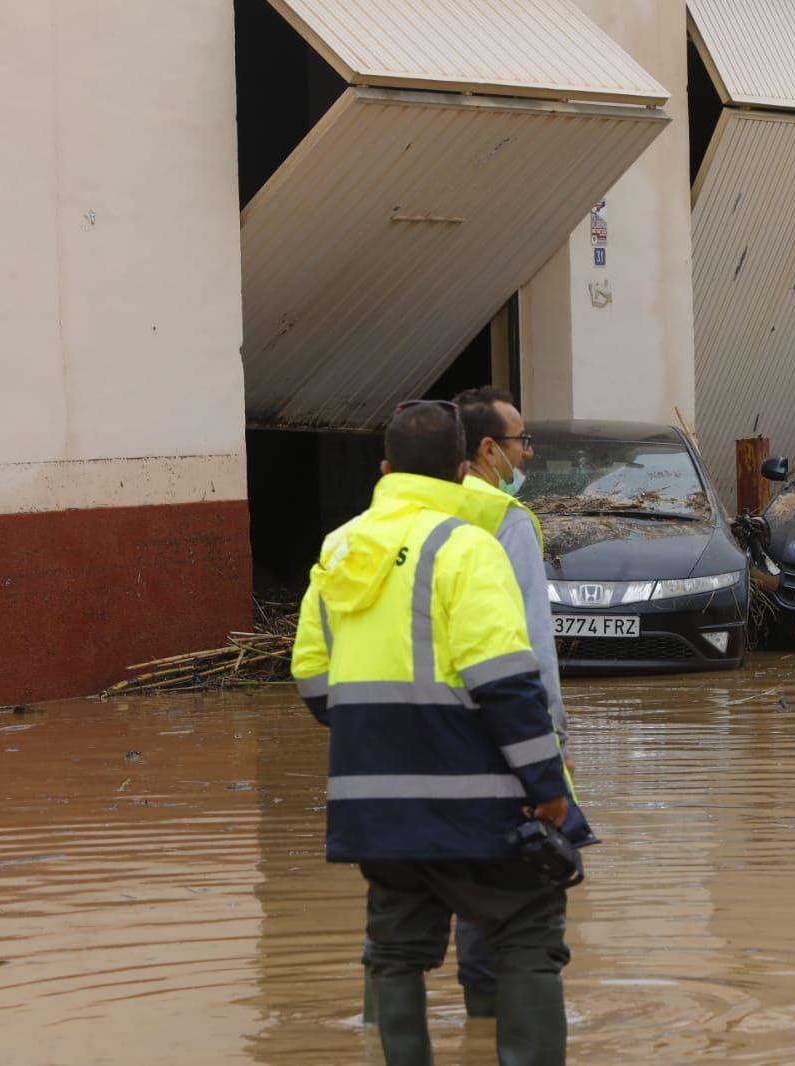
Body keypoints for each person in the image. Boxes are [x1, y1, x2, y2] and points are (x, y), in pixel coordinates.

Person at [292, 399, 588, 1066]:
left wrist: (371, 735)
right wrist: (547, 785)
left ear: (386, 468)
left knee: (394, 954)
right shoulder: (466, 547)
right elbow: (508, 681)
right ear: (462, 469)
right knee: (528, 936)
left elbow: (310, 672)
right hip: (475, 801)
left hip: (375, 806)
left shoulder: (339, 547)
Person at [449, 385, 567, 1019]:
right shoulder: (505, 520)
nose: (528, 453)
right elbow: (532, 647)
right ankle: (505, 1020)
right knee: (517, 878)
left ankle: (466, 1017)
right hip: (501, 731)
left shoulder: (398, 519)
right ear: (489, 449)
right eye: (521, 441)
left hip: (418, 732)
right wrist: (553, 739)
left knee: (403, 923)